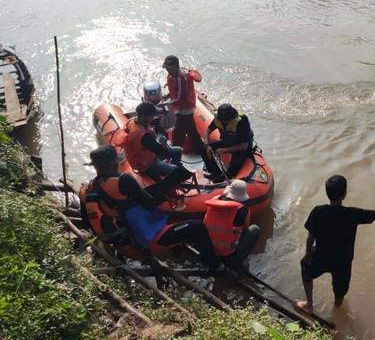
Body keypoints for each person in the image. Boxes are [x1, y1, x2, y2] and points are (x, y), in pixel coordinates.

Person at [79, 145, 227, 274]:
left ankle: (176, 248)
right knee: (197, 226)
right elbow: (150, 203)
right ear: (112, 165)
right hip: (139, 245)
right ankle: (217, 266)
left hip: (118, 244)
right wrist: (170, 183)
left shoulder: (85, 190)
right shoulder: (123, 181)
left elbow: (86, 224)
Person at [293, 175, 375, 315]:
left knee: (306, 268)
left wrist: (308, 253)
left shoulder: (318, 211)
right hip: (343, 261)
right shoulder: (352, 214)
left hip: (322, 254)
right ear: (344, 194)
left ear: (327, 192)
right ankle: (337, 310)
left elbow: (311, 235)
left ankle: (309, 306)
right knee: (340, 291)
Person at [121, 101, 189, 184]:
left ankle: (169, 174)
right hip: (147, 165)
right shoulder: (144, 137)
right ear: (143, 117)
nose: (154, 117)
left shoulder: (132, 122)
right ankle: (172, 175)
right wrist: (163, 143)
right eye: (152, 116)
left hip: (148, 155)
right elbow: (163, 152)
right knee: (178, 170)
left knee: (178, 150)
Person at [203, 179, 261, 270]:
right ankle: (239, 259)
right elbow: (245, 229)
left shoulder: (213, 201)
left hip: (208, 250)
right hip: (226, 255)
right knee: (254, 229)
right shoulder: (243, 210)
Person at [202, 103, 254, 180]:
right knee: (203, 149)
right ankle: (216, 173)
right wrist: (207, 146)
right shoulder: (217, 119)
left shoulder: (242, 122)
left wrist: (223, 150)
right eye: (223, 119)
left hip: (240, 146)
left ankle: (226, 178)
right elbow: (207, 132)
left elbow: (244, 145)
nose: (225, 121)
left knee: (234, 165)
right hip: (227, 142)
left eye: (227, 119)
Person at [162, 55, 203, 152]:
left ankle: (175, 155)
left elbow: (180, 98)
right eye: (167, 68)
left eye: (170, 68)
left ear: (176, 67)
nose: (168, 71)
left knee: (178, 134)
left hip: (185, 110)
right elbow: (176, 92)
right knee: (191, 130)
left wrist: (164, 104)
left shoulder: (181, 79)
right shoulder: (174, 77)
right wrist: (168, 96)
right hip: (183, 108)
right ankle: (200, 149)